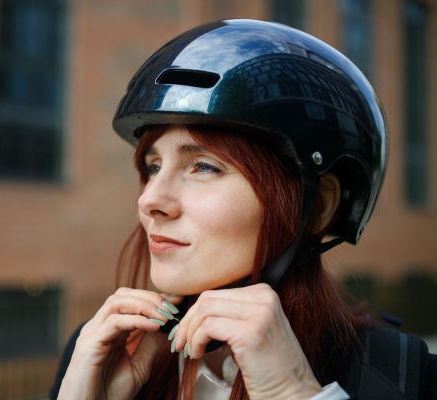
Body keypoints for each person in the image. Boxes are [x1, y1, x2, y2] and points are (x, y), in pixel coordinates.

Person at [50, 20, 437, 400]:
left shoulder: (402, 378)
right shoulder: (99, 356)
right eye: (153, 167)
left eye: (203, 166)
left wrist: (297, 395)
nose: (149, 200)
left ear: (317, 206)